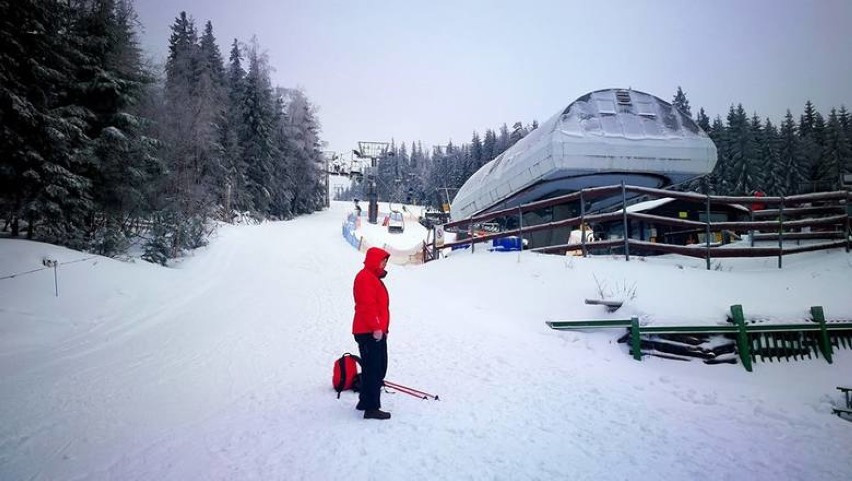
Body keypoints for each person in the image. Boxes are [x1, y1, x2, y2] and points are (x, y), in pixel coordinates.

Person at [352, 247, 392, 420]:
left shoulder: (373, 277)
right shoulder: (365, 278)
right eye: (382, 261)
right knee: (374, 369)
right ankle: (371, 408)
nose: (384, 264)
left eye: (385, 262)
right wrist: (376, 327)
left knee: (376, 367)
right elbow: (366, 306)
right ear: (374, 260)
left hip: (375, 331)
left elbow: (380, 306)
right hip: (368, 331)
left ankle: (365, 401)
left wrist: (383, 329)